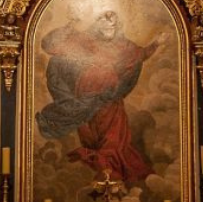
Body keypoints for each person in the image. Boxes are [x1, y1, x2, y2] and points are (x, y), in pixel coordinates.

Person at [36, 10, 163, 186]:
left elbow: (140, 55)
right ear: (97, 25)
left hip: (110, 98)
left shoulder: (123, 46)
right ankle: (102, 168)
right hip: (85, 96)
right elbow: (51, 45)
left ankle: (110, 173)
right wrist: (70, 25)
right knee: (91, 134)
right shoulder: (84, 40)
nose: (110, 28)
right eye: (105, 24)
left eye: (113, 25)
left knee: (115, 137)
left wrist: (155, 44)